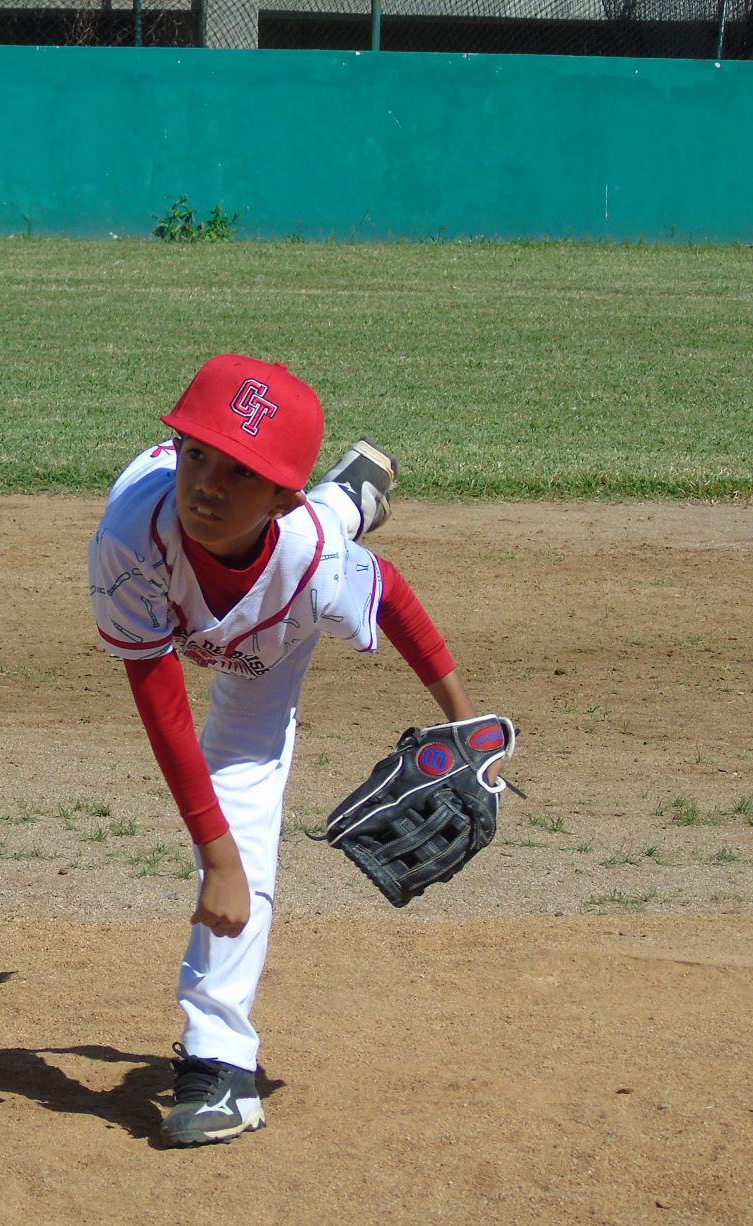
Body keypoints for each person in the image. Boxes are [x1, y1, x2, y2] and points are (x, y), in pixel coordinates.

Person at [87, 354, 492, 1147]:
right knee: (223, 851)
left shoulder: (313, 566)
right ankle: (350, 493)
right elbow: (158, 691)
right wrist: (218, 861)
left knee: (240, 809)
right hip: (192, 593)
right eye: (195, 453)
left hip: (270, 645)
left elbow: (394, 599)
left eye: (237, 470)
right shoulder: (130, 535)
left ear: (276, 491)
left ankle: (220, 1064)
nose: (204, 483)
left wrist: (466, 726)